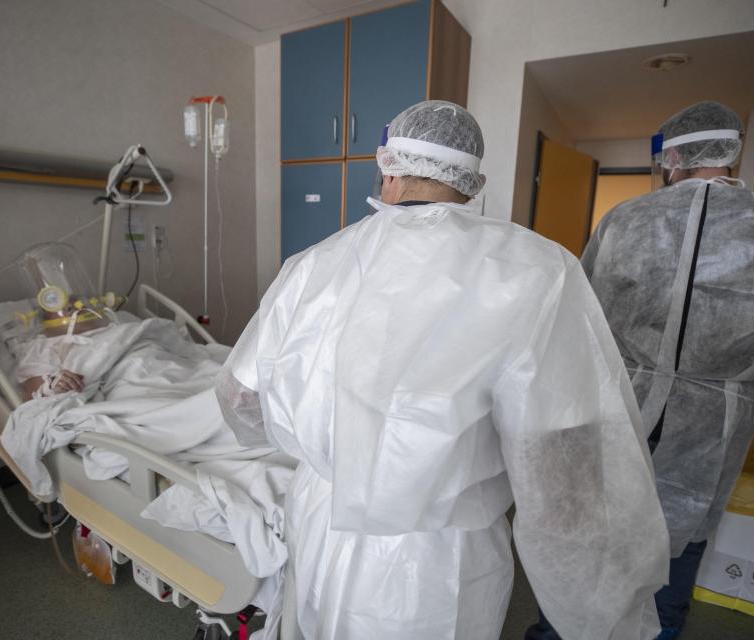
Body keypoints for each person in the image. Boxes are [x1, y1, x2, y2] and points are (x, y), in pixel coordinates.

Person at [217, 100, 670, 639]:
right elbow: (560, 457)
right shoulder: (535, 269)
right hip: (439, 556)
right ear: (473, 184)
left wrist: (321, 451)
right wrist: (597, 600)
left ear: (387, 169)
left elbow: (241, 399)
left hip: (319, 520)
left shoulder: (313, 263)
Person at [540, 100, 754, 640]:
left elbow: (582, 319)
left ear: (672, 157)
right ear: (731, 153)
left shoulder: (625, 220)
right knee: (674, 556)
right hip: (716, 419)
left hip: (619, 403)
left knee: (592, 541)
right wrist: (732, 368)